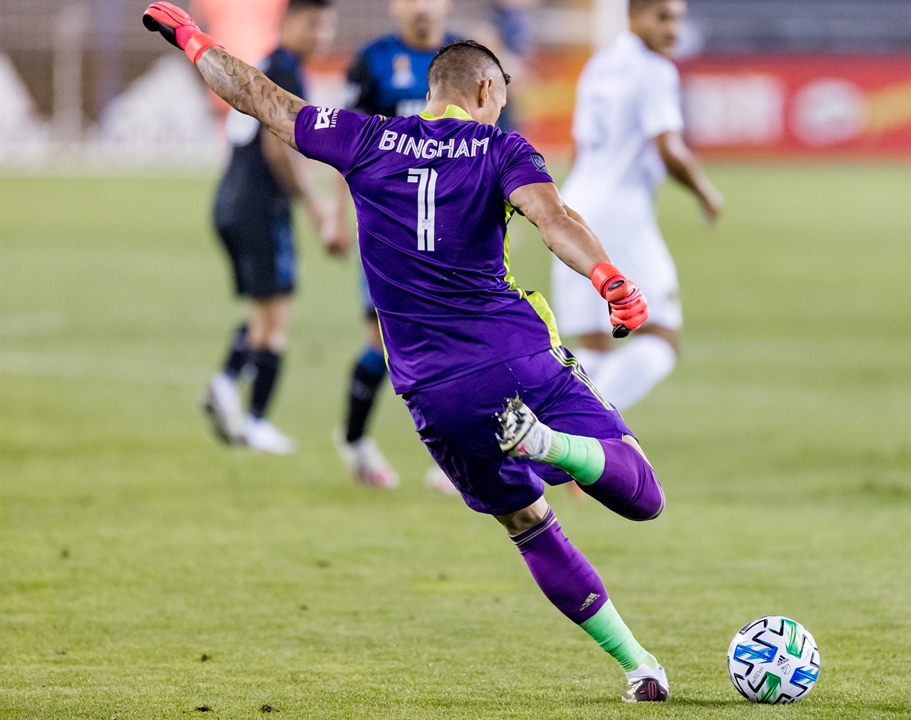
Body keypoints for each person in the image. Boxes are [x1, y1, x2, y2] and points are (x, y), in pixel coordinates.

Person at [144, 4, 671, 702]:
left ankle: (640, 668)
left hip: (433, 393)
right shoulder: (499, 149)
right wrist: (607, 276)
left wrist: (192, 38)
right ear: (485, 91)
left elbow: (260, 98)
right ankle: (552, 445)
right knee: (642, 494)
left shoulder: (366, 139)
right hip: (516, 360)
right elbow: (553, 217)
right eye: (503, 96)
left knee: (527, 524)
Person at [551, 0, 721, 412]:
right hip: (622, 215)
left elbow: (580, 148)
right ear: (633, 17)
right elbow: (668, 147)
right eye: (662, 17)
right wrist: (704, 191)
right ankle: (574, 436)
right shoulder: (654, 70)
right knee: (662, 339)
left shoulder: (599, 65)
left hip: (576, 207)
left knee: (595, 343)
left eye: (678, 19)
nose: (673, 29)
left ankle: (541, 440)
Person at [201, 0, 346, 454]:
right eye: (313, 24)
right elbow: (278, 148)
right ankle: (253, 417)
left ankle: (226, 389)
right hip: (259, 204)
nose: (321, 35)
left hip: (231, 199)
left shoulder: (269, 63)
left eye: (327, 26)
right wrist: (315, 205)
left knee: (263, 315)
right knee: (275, 319)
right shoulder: (285, 69)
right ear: (287, 22)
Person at [332, 0, 462, 490]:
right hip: (386, 229)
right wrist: (334, 214)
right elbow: (344, 142)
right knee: (386, 341)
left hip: (452, 231)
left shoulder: (468, 60)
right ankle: (355, 439)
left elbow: (497, 142)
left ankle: (459, 457)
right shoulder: (373, 60)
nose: (421, 8)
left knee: (458, 339)